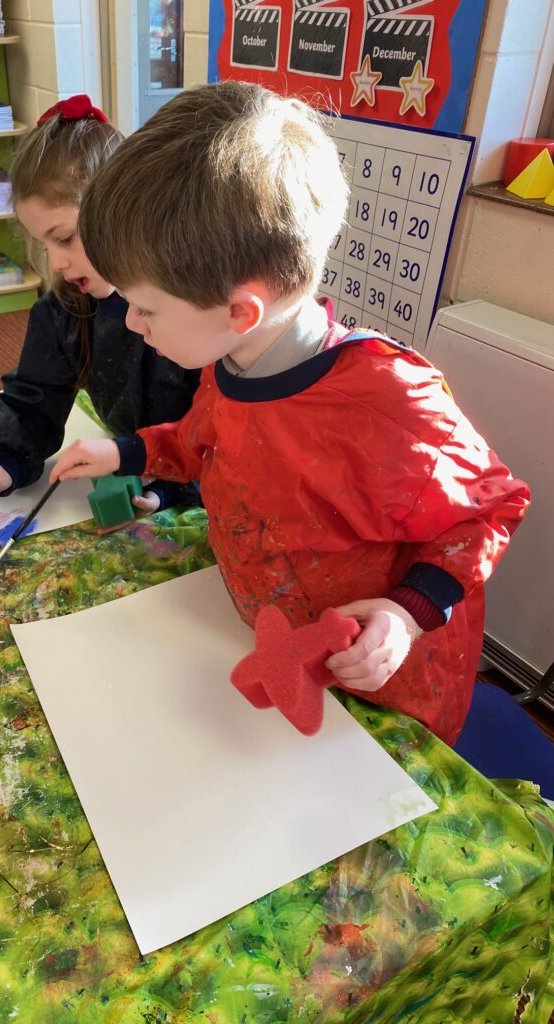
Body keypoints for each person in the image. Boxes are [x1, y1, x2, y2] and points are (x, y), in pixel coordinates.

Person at [50, 81, 530, 745]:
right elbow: (204, 439)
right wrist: (126, 453)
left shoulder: (389, 401)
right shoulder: (234, 356)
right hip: (261, 632)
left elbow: (491, 508)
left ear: (239, 309)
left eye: (146, 308)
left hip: (376, 680)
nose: (130, 323)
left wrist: (408, 611)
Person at [0, 94, 200, 514]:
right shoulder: (65, 310)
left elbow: (221, 430)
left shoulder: (190, 305)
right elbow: (35, 399)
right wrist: (7, 460)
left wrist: (173, 488)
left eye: (65, 238)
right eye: (44, 243)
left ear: (122, 210)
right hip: (131, 463)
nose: (55, 261)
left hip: (196, 478)